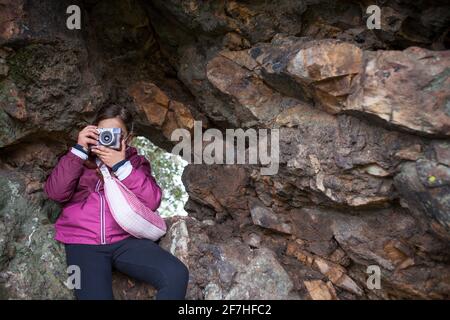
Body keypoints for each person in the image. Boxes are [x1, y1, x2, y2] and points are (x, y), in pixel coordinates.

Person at [44, 104, 189, 300]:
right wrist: (79, 150)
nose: (107, 138)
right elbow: (55, 193)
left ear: (128, 139)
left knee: (176, 274)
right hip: (82, 243)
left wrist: (121, 165)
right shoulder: (76, 160)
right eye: (103, 132)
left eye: (115, 134)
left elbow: (152, 200)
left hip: (126, 240)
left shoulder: (136, 163)